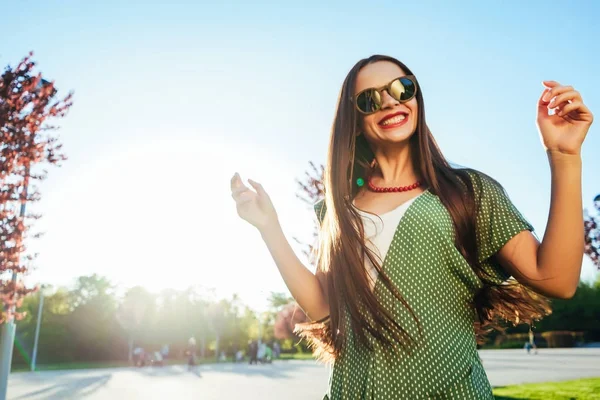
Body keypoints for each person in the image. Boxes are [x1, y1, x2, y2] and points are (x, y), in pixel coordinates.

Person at [230, 55, 593, 399]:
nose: (390, 101)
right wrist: (269, 227)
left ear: (416, 98)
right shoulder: (337, 211)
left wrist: (564, 157)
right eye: (369, 100)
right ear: (354, 122)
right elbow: (323, 305)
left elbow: (557, 279)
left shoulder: (467, 192)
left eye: (402, 88)